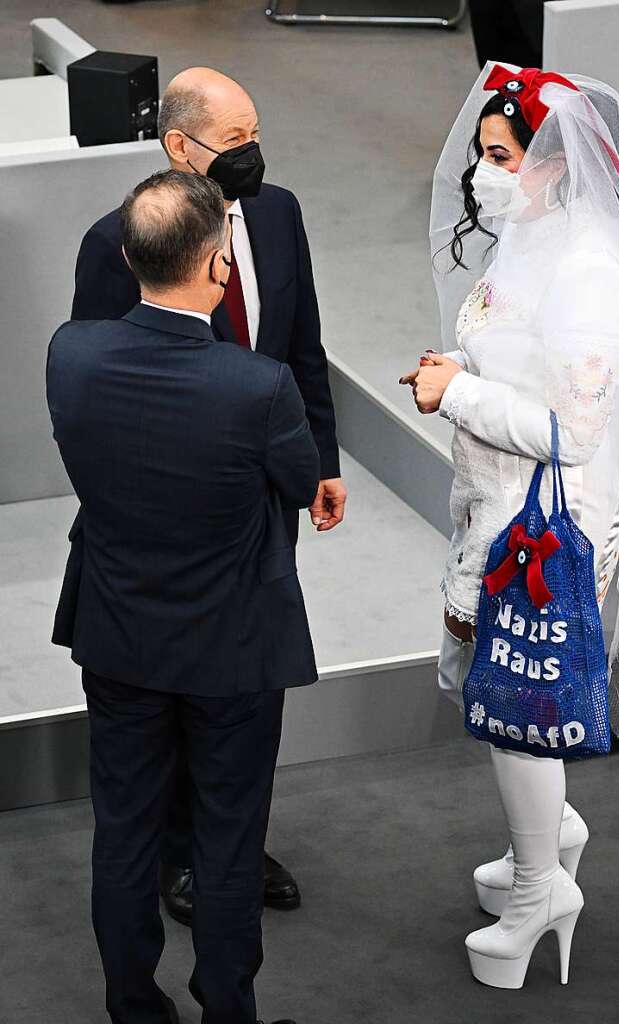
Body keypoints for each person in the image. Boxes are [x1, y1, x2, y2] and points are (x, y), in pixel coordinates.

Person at [401, 63, 619, 988]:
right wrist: (465, 368)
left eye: (497, 157)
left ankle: (534, 894)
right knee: (485, 684)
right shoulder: (531, 234)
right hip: (495, 501)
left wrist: (461, 391)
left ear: (552, 167)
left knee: (517, 705)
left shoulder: (592, 270)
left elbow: (574, 428)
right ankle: (546, 836)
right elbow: (517, 361)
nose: (480, 174)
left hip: (545, 527)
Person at [63, 66, 347, 923]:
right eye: (233, 140)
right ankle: (181, 855)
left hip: (264, 505)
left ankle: (229, 844)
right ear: (178, 148)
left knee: (244, 689)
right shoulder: (113, 243)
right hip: (170, 516)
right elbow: (103, 392)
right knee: (178, 688)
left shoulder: (280, 212)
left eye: (255, 133)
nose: (251, 154)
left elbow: (303, 347)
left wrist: (321, 461)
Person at [47, 170, 313, 1024]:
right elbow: (299, 482)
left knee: (123, 835)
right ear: (220, 266)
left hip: (120, 635)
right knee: (228, 838)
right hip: (232, 650)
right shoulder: (255, 387)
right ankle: (226, 1009)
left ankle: (134, 1009)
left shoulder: (70, 354)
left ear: (128, 259)